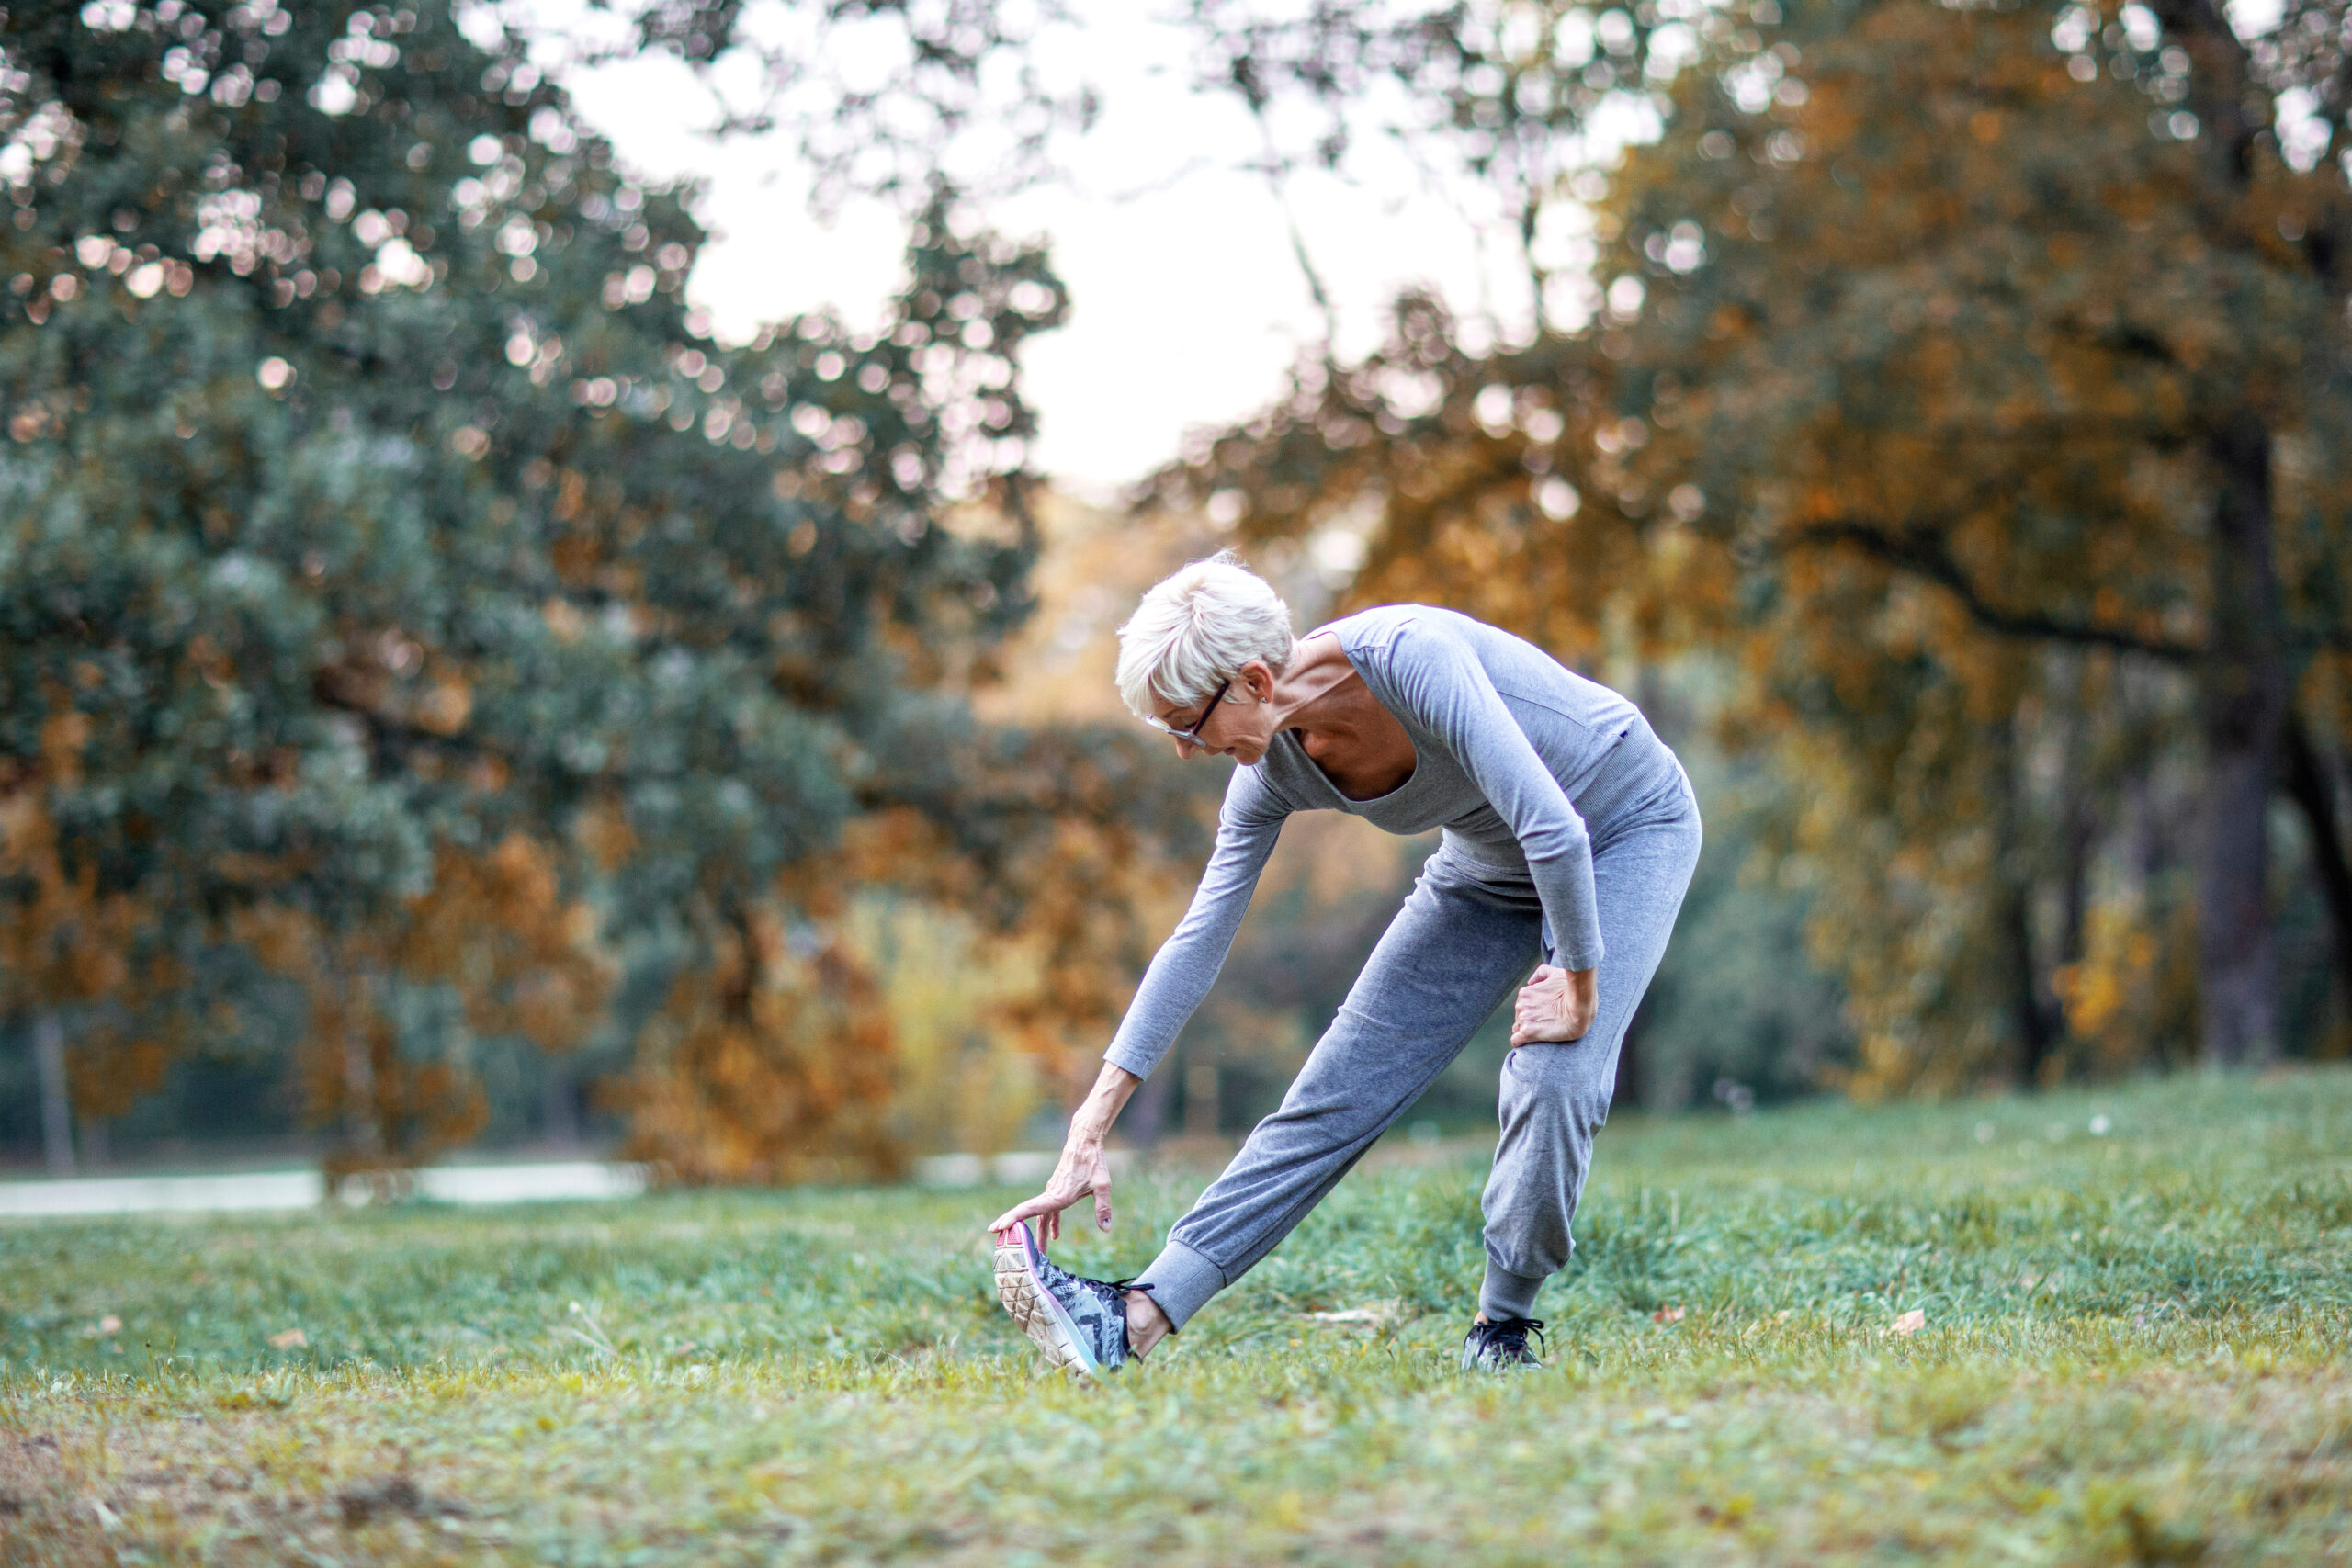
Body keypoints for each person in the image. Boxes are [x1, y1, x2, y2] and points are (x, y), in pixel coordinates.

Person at [989, 554, 1702, 1373]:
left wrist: (1577, 980)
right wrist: (1093, 1118)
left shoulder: (1412, 659)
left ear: (1254, 679)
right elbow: (1199, 935)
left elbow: (1556, 830)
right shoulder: (1273, 769)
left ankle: (1501, 1329)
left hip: (1621, 825)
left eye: (1189, 724)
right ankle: (1135, 1317)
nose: (1187, 750)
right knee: (1335, 1088)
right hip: (1487, 868)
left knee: (1555, 1073)